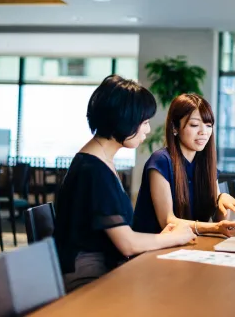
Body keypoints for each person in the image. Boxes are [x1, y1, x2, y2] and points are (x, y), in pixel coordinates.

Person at [54, 75, 196, 293]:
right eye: (145, 122)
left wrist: (163, 238)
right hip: (89, 279)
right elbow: (127, 243)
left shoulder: (96, 160)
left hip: (106, 269)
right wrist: (174, 238)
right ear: (125, 120)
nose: (148, 130)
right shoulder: (94, 171)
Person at [133, 93, 235, 237]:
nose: (204, 132)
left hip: (187, 246)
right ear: (175, 128)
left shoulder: (206, 164)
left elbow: (219, 221)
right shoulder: (161, 161)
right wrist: (215, 227)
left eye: (208, 125)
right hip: (152, 251)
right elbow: (167, 221)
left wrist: (222, 200)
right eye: (194, 125)